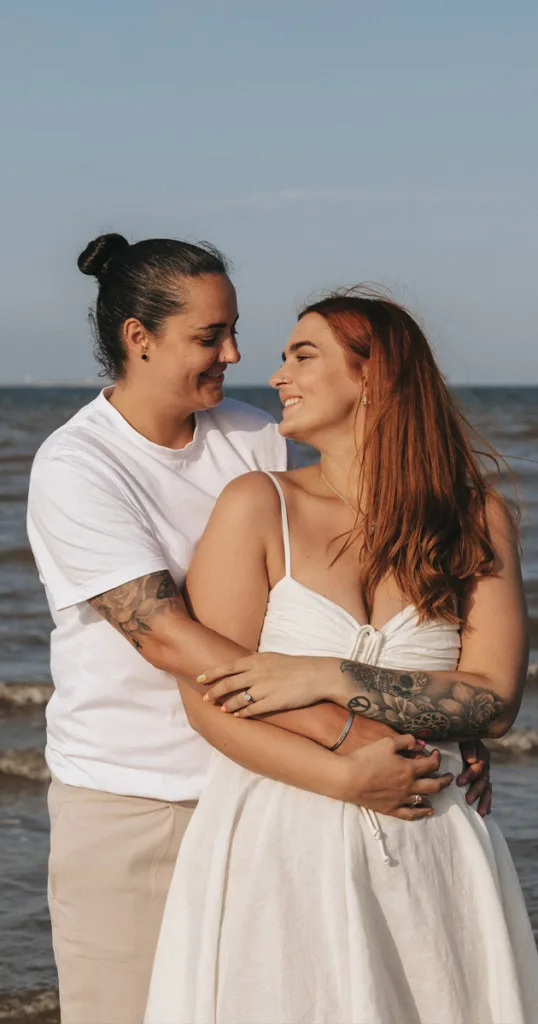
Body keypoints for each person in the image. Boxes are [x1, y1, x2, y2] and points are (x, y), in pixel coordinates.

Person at [27, 237, 491, 1024]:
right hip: (142, 801)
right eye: (210, 337)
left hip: (268, 797)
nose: (236, 354)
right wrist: (361, 733)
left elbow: (346, 551)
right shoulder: (78, 467)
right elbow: (171, 639)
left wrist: (440, 706)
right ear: (140, 339)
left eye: (234, 330)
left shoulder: (250, 434)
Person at [145, 291, 537, 1024]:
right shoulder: (257, 505)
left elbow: (495, 701)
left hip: (433, 834)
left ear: (373, 376)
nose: (277, 375)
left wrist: (329, 675)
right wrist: (344, 778)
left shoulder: (475, 517)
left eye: (303, 354)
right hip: (281, 837)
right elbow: (210, 704)